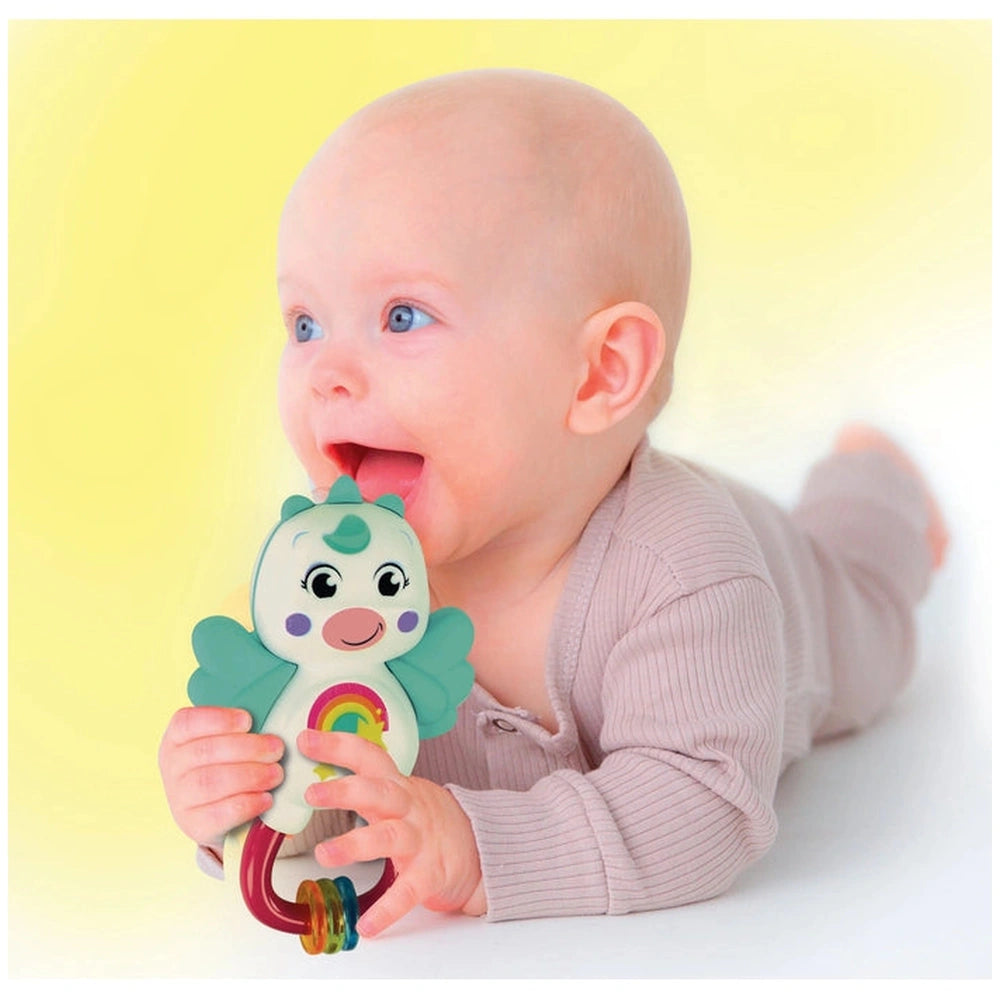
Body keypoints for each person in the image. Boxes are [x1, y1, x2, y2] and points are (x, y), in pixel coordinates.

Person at [158, 68, 948, 939]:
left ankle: (873, 473)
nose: (327, 373)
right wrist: (246, 793)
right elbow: (351, 789)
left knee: (876, 607)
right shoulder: (337, 590)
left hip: (803, 603)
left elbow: (706, 806)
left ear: (601, 373)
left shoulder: (687, 574)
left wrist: (476, 847)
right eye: (304, 323)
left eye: (403, 316)